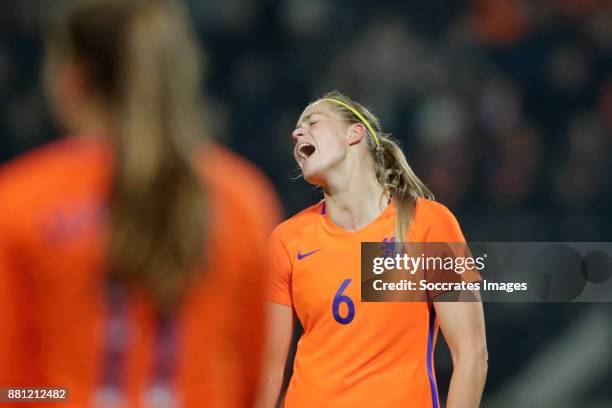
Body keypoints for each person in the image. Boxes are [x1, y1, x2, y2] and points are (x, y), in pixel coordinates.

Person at [0, 0, 281, 407]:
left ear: (73, 78)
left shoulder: (20, 204)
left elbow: (11, 386)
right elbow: (255, 385)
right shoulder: (242, 202)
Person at [259, 91, 487, 407]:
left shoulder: (427, 224)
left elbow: (471, 353)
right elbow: (268, 369)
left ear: (355, 133)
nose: (297, 133)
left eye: (312, 121)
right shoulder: (287, 239)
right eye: (297, 128)